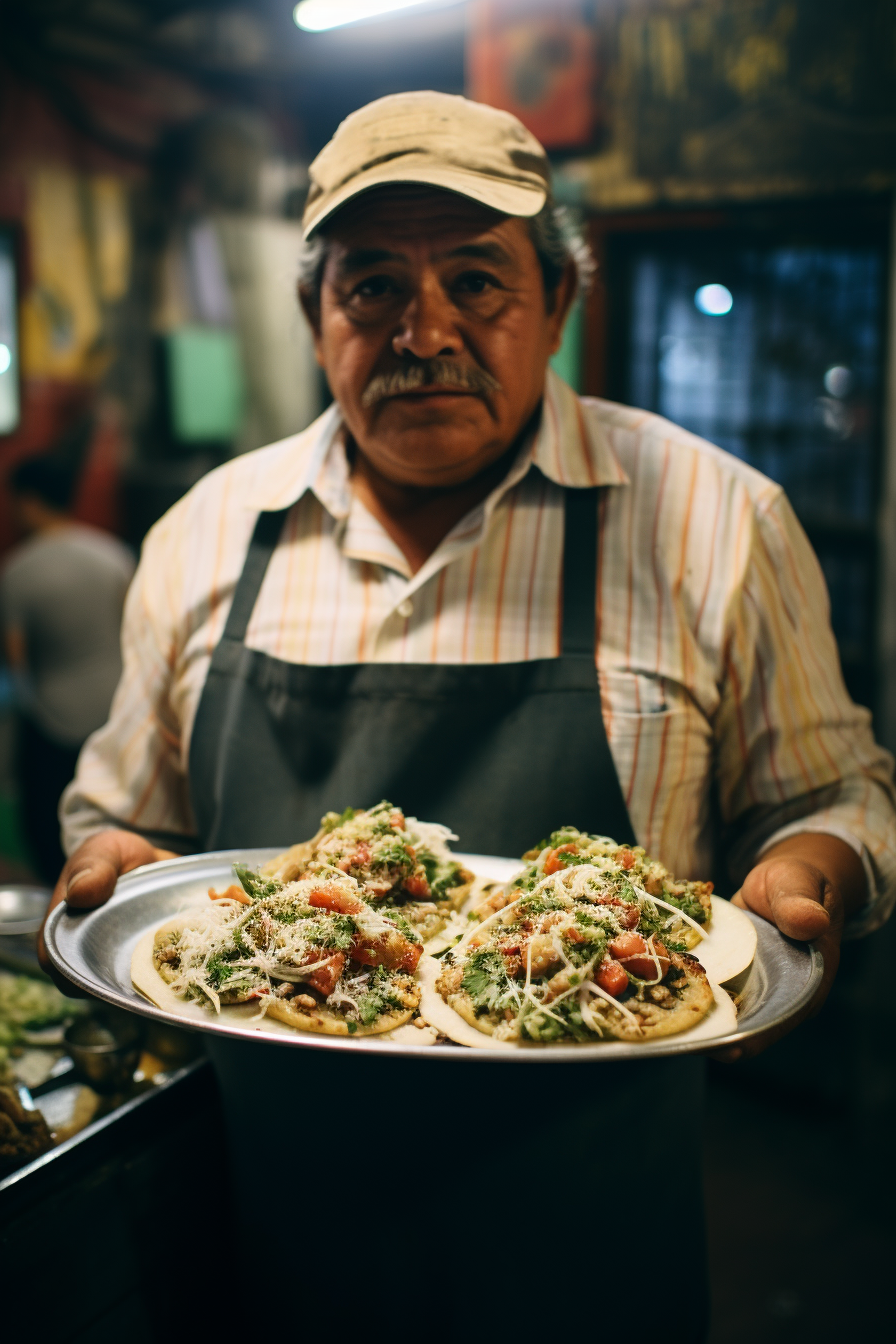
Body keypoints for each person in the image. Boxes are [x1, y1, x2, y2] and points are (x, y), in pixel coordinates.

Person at [40, 92, 895, 1336]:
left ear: (556, 303)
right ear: (312, 315)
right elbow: (127, 817)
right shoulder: (203, 536)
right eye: (372, 286)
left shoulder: (719, 521)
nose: (423, 330)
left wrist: (809, 864)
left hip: (588, 1226)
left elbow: (835, 795)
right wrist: (112, 855)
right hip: (263, 1209)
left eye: (477, 283)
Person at [3, 455, 134, 884]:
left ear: (28, 501)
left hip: (52, 722)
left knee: (49, 827)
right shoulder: (112, 553)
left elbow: (17, 659)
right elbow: (135, 630)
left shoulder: (18, 571)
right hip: (115, 712)